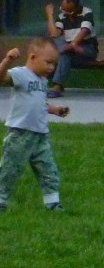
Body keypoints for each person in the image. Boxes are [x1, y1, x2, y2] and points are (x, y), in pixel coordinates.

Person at [0, 39, 70, 213]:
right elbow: (1, 77)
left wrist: (54, 110)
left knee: (48, 169)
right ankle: (1, 199)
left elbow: (39, 102)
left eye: (54, 64)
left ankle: (52, 203)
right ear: (33, 57)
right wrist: (8, 60)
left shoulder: (43, 81)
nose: (51, 68)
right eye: (48, 62)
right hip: (20, 133)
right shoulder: (21, 74)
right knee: (10, 169)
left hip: (40, 135)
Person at [44, 0, 99, 98]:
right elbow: (54, 34)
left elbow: (85, 31)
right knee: (63, 53)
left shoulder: (86, 12)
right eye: (63, 9)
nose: (65, 13)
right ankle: (57, 86)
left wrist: (73, 45)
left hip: (87, 50)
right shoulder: (62, 17)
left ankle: (56, 87)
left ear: (76, 9)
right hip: (69, 51)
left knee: (64, 53)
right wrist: (50, 15)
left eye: (68, 11)